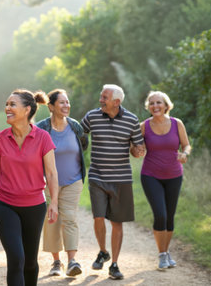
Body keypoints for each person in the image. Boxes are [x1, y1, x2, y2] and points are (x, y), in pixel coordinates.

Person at [0, 89, 59, 286]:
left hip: (34, 206)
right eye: (6, 104)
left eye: (12, 104)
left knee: (30, 262)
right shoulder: (0, 138)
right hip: (4, 204)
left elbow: (51, 173)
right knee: (16, 259)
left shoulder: (43, 138)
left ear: (27, 110)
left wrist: (54, 202)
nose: (7, 108)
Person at [80, 84, 145, 280]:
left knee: (117, 222)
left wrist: (138, 150)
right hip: (97, 177)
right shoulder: (92, 116)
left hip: (121, 179)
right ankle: (102, 251)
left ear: (116, 102)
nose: (101, 100)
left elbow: (137, 148)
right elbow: (79, 135)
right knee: (98, 217)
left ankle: (114, 264)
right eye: (101, 96)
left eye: (105, 97)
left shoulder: (132, 120)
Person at [36, 89, 88, 277]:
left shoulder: (75, 127)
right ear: (51, 106)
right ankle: (56, 262)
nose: (66, 106)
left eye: (67, 102)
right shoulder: (42, 128)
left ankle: (72, 260)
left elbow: (83, 145)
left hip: (73, 180)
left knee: (70, 217)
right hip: (49, 182)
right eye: (62, 103)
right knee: (52, 219)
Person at [140, 91, 191, 270]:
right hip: (150, 175)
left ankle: (166, 251)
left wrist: (185, 154)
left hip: (174, 175)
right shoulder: (144, 126)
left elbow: (186, 144)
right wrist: (136, 149)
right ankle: (162, 255)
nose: (155, 106)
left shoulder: (177, 124)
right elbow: (136, 147)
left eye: (159, 103)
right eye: (152, 103)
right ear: (149, 107)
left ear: (166, 105)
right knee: (160, 214)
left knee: (169, 216)